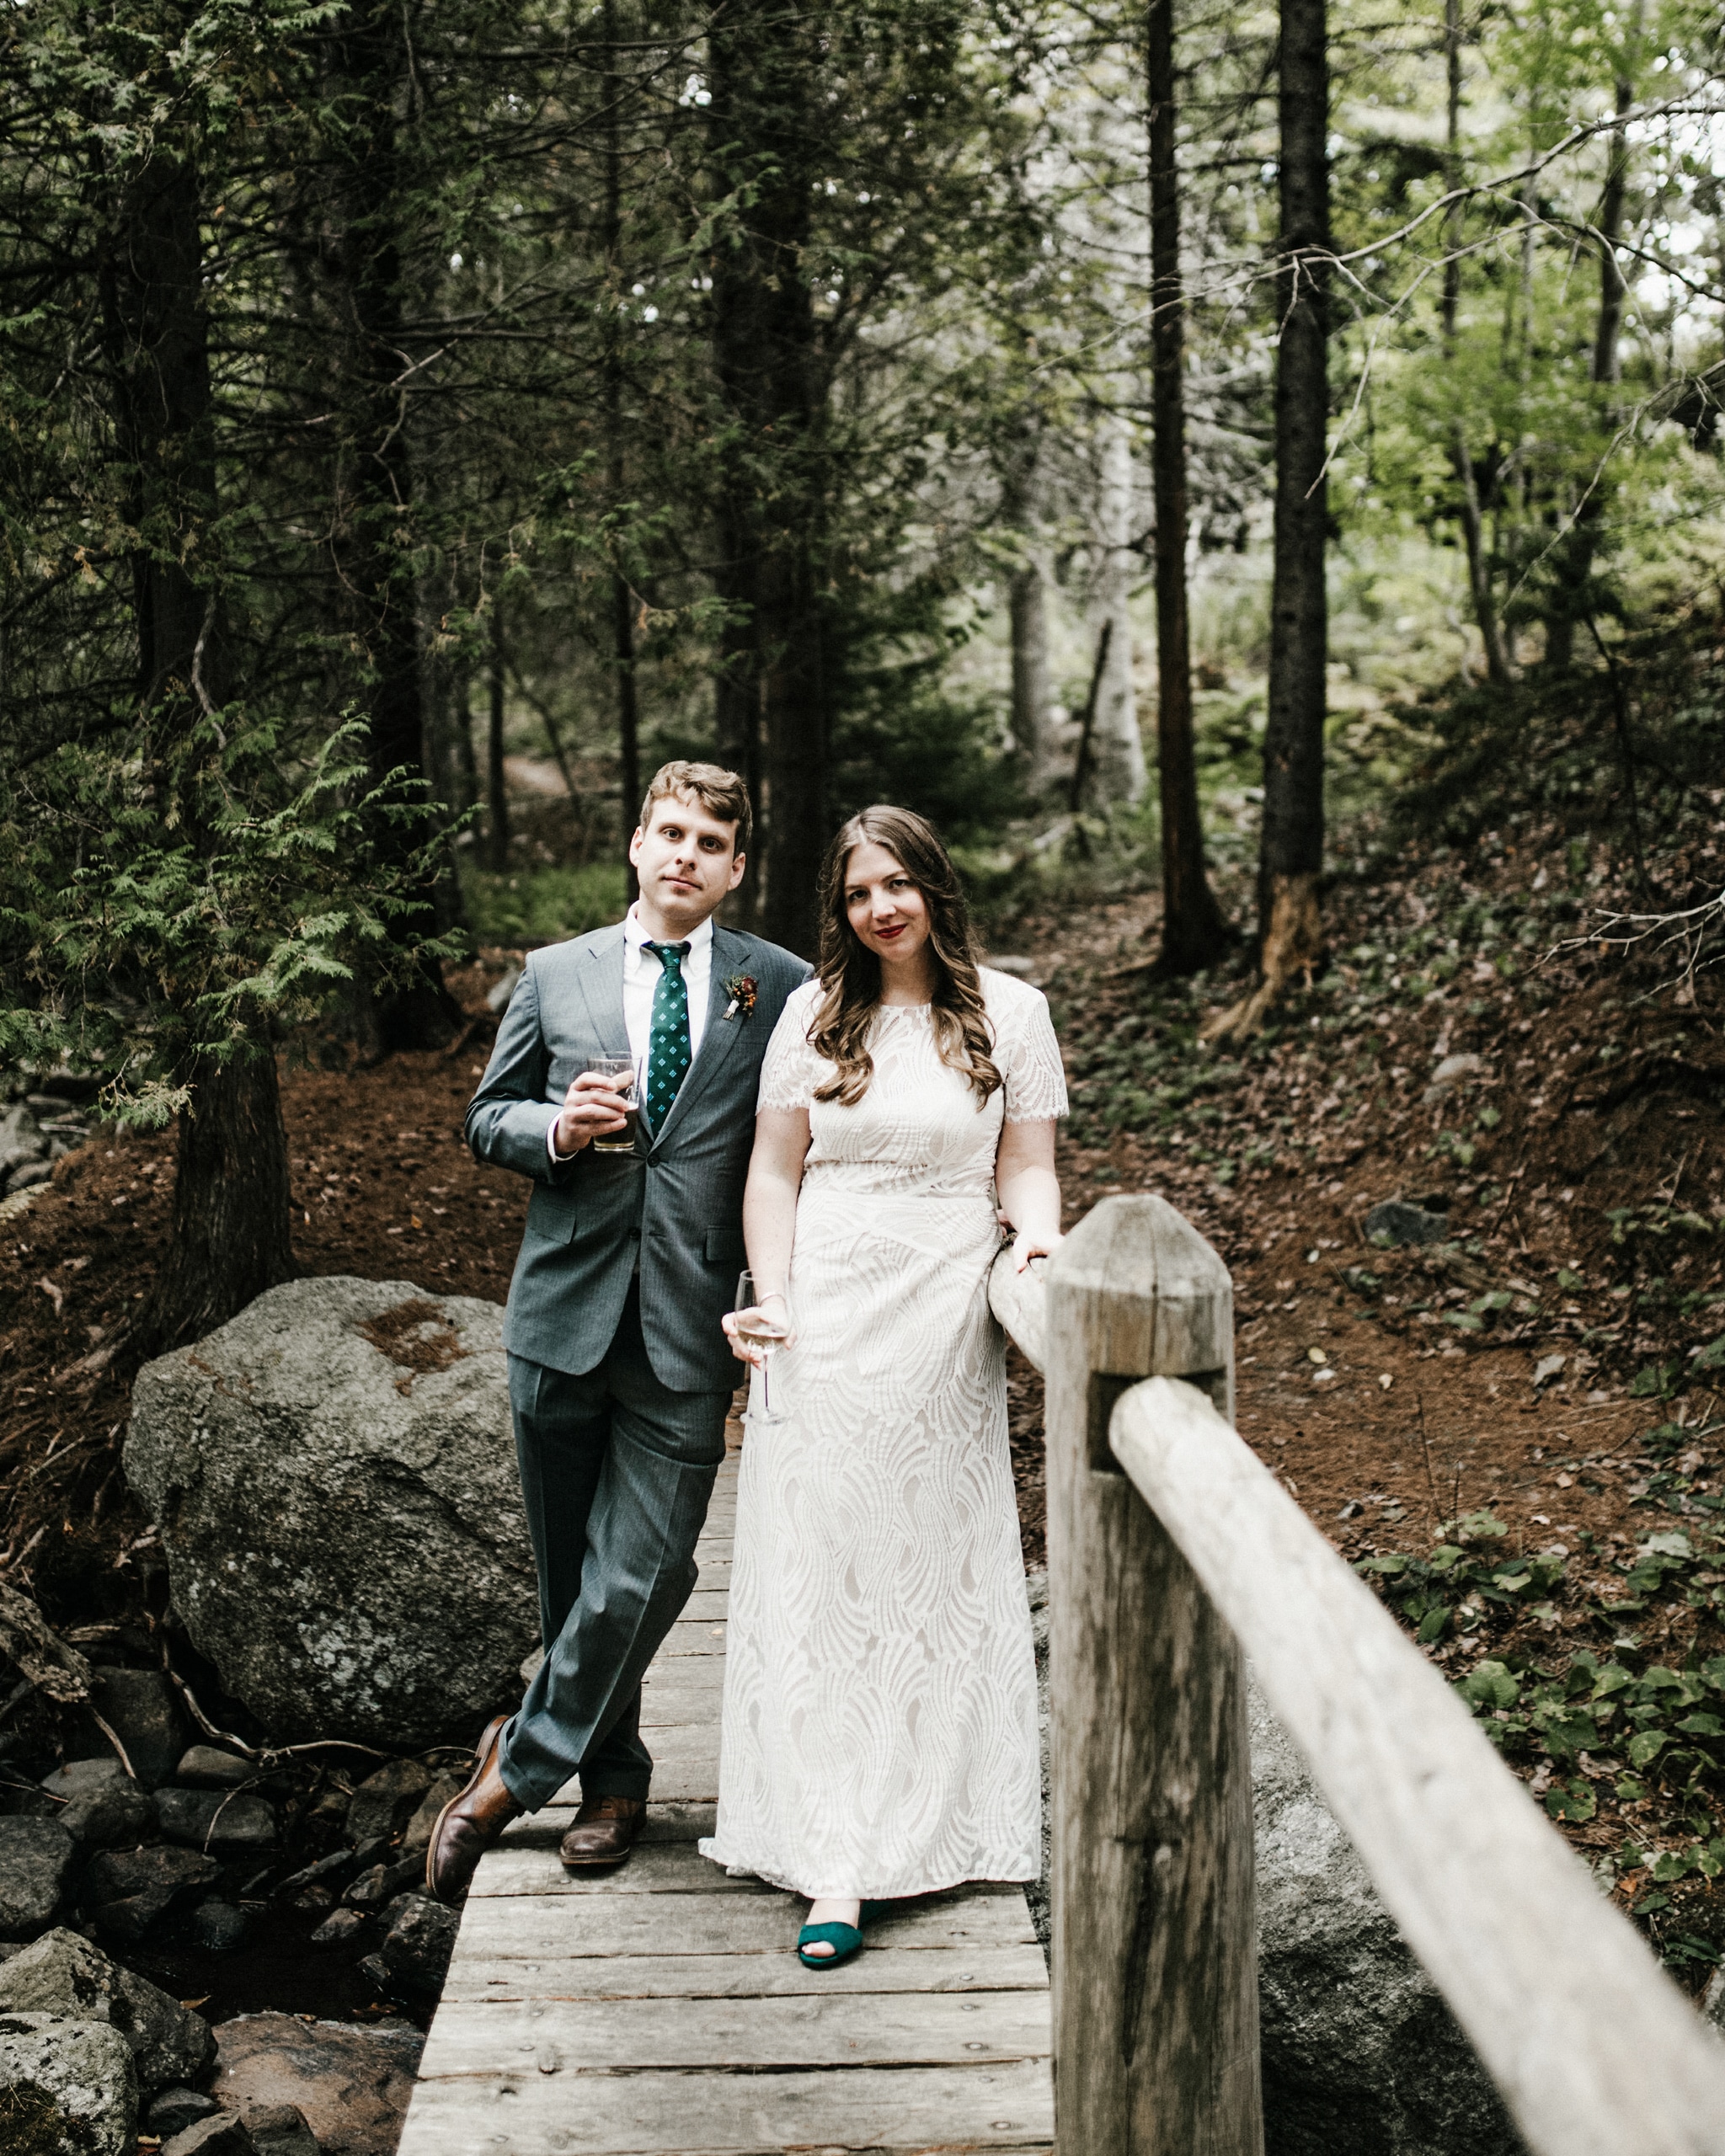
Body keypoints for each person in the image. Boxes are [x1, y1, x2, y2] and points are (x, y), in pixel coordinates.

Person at [427, 761, 809, 1901]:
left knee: (644, 1569)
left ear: (736, 869)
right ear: (638, 844)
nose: (687, 855)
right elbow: (485, 1116)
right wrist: (555, 1127)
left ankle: (508, 1777)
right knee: (571, 1582)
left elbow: (804, 1143)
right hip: (560, 1317)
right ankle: (613, 1782)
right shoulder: (553, 975)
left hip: (693, 1322)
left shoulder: (777, 986)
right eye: (671, 833)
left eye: (712, 843)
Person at [702, 804, 1067, 1967]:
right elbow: (771, 1168)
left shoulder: (1012, 1014)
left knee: (929, 1566)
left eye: (898, 883)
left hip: (944, 1318)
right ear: (843, 908)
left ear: (933, 888)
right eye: (860, 892)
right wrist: (774, 1295)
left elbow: (1029, 1169)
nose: (881, 907)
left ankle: (943, 1820)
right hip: (826, 1313)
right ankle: (836, 1852)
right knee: (824, 1569)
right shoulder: (813, 1013)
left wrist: (1039, 1246)